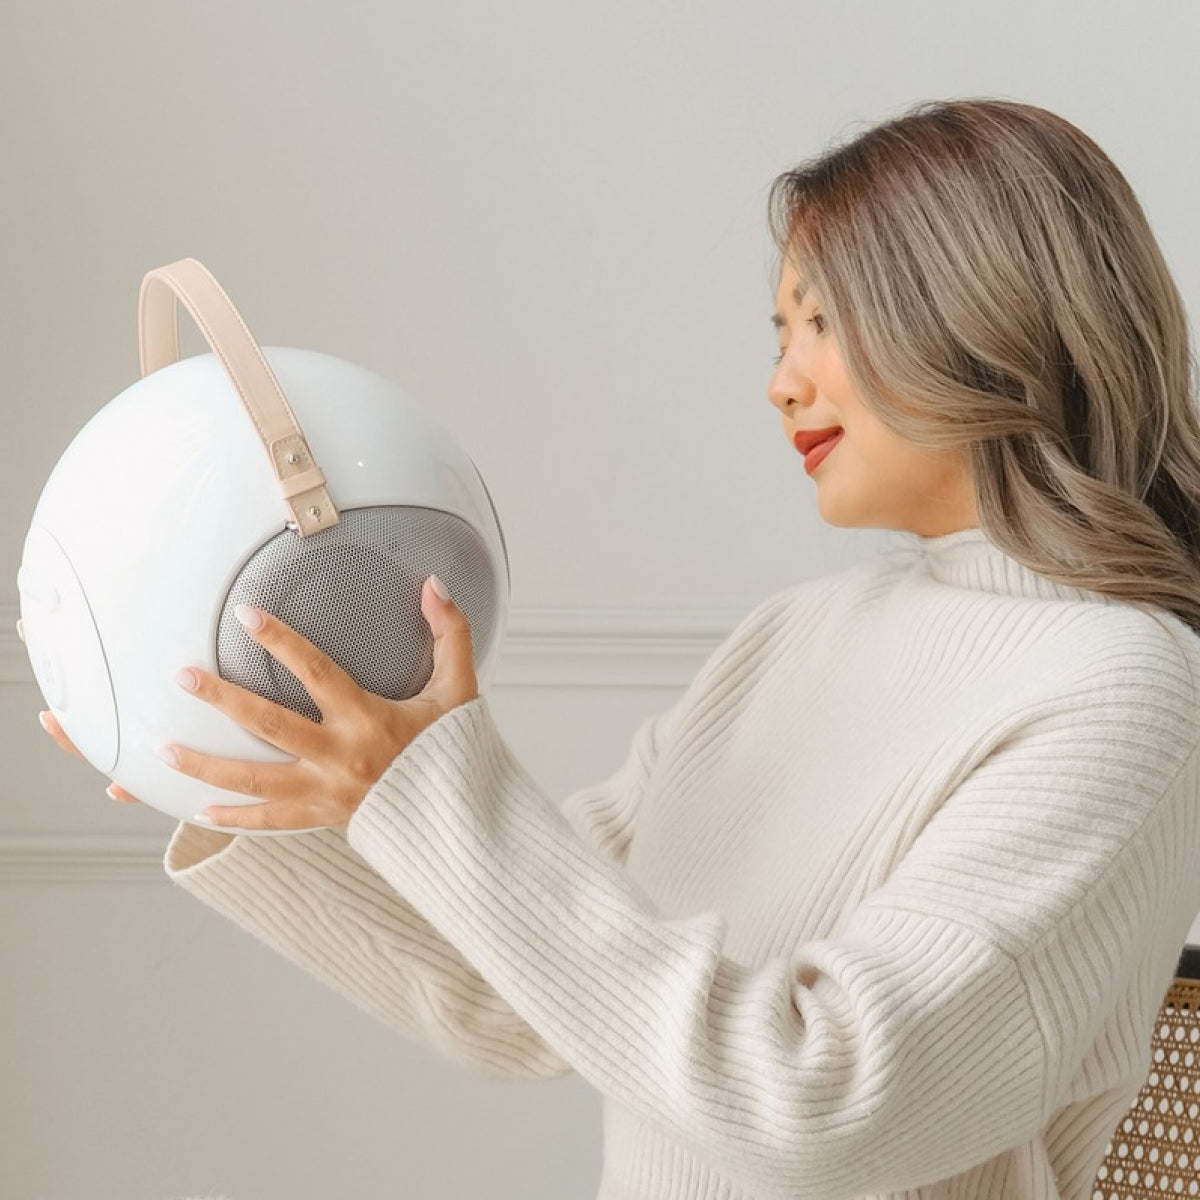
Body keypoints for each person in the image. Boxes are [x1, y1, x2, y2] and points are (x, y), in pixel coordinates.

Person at [34, 96, 1200, 1200]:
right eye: (779, 327)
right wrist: (246, 769)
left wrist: (426, 783)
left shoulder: (1119, 689)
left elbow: (825, 1101)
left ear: (976, 312)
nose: (779, 381)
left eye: (821, 322)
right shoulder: (792, 640)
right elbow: (519, 995)